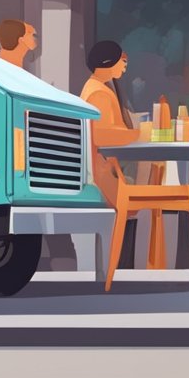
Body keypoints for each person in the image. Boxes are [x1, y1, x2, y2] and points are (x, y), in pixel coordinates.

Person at [81, 41, 141, 269]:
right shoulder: (99, 93)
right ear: (109, 63)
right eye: (122, 61)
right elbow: (103, 135)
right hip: (101, 175)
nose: (125, 67)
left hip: (102, 169)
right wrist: (136, 134)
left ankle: (121, 266)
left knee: (136, 194)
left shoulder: (98, 88)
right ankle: (121, 266)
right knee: (136, 199)